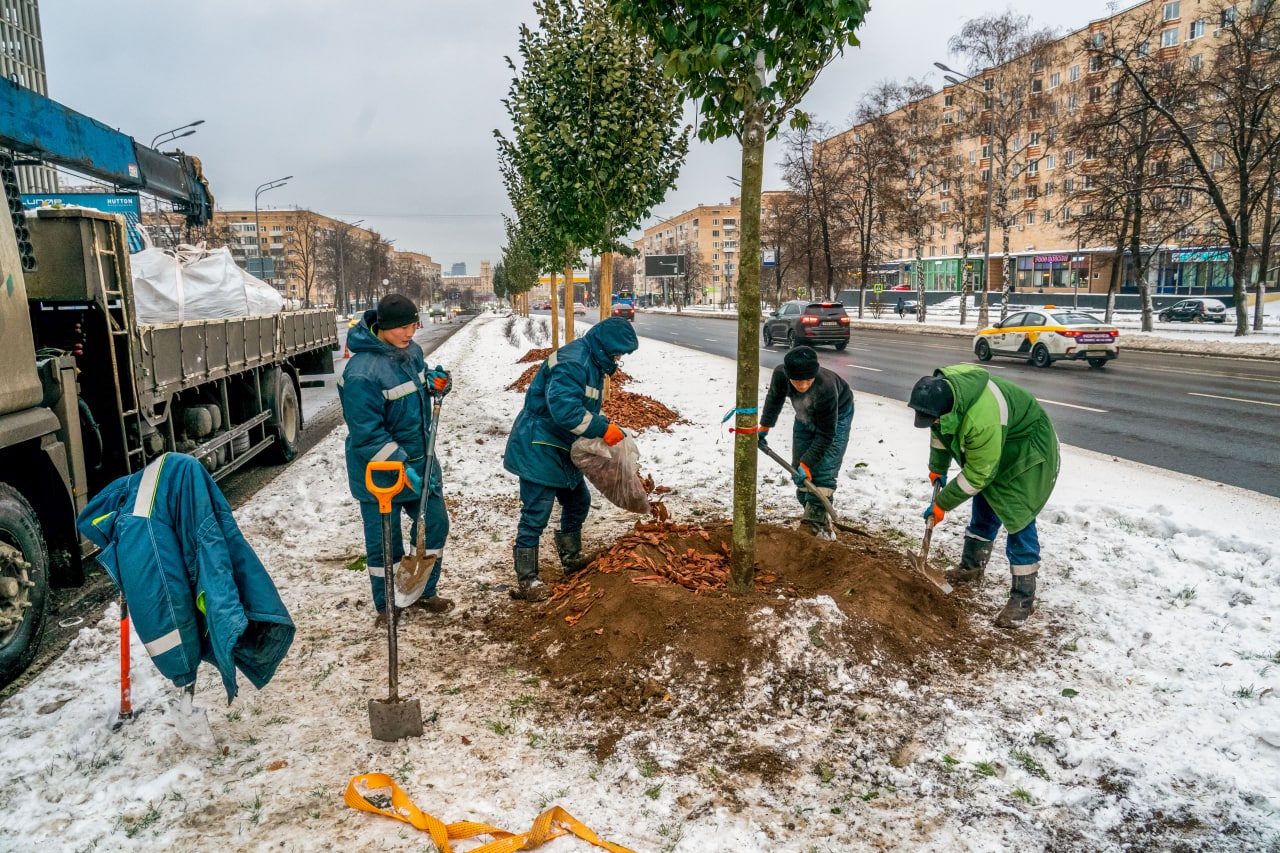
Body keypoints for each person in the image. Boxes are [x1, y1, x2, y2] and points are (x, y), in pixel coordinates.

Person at [907, 365, 1060, 628]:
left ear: (947, 409)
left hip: (1026, 451)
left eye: (934, 418)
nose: (933, 423)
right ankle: (971, 568)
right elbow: (940, 432)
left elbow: (978, 475)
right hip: (996, 444)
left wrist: (942, 505)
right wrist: (938, 468)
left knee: (1017, 515)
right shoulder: (942, 395)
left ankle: (1023, 598)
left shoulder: (982, 418)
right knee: (984, 504)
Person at [503, 317, 639, 601]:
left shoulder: (592, 361)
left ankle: (570, 558)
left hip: (563, 446)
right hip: (539, 444)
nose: (618, 359)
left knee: (578, 502)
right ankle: (528, 579)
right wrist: (603, 429)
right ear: (605, 347)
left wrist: (601, 427)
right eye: (617, 353)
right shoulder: (574, 362)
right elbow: (565, 411)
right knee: (536, 513)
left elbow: (581, 406)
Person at [339, 294, 453, 627]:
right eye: (402, 327)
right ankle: (386, 605)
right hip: (380, 470)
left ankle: (424, 591)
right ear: (384, 328)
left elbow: (417, 388)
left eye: (413, 325)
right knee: (385, 543)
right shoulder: (361, 374)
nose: (410, 333)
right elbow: (368, 435)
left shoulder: (411, 352)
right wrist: (402, 468)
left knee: (435, 524)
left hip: (420, 461)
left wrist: (435, 384)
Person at [757, 346, 855, 536]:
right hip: (804, 414)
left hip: (838, 416)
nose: (802, 386)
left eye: (807, 381)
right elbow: (774, 398)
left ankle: (813, 524)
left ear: (815, 374)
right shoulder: (780, 375)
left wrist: (808, 462)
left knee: (824, 470)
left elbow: (827, 434)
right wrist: (765, 426)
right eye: (796, 382)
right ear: (788, 375)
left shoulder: (826, 387)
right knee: (798, 471)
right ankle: (819, 516)